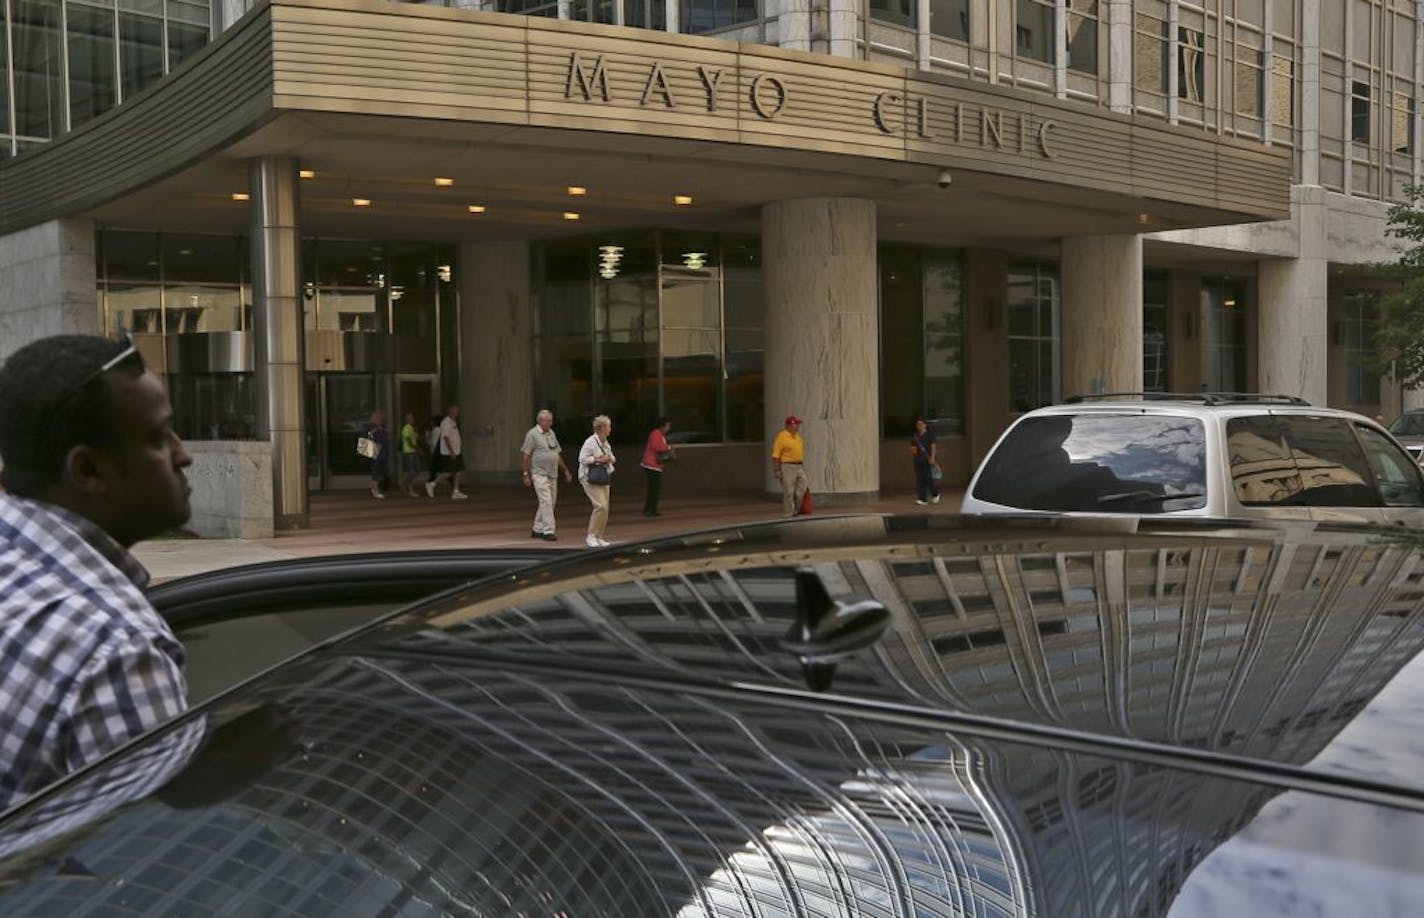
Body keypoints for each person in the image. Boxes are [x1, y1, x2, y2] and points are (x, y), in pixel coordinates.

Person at [0, 335, 197, 810]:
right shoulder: (118, 652)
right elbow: (152, 866)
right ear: (88, 470)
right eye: (158, 437)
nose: (182, 453)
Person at [521, 408, 573, 541]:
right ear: (540, 421)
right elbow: (526, 455)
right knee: (546, 501)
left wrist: (565, 469)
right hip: (539, 473)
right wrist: (526, 474)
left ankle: (537, 529)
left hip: (552, 473)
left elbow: (557, 453)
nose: (550, 423)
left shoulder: (551, 433)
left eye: (551, 420)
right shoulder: (532, 434)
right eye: (548, 421)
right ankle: (548, 531)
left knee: (550, 502)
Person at [578, 415, 616, 548]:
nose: (610, 429)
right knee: (600, 506)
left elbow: (612, 457)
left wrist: (609, 459)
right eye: (608, 426)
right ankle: (591, 536)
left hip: (603, 476)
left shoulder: (605, 442)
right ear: (602, 428)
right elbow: (582, 458)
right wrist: (598, 459)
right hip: (589, 477)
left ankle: (599, 536)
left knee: (605, 508)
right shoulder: (590, 442)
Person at [425, 404, 468, 499]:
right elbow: (446, 437)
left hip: (457, 451)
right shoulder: (446, 422)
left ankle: (456, 491)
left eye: (458, 412)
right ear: (451, 411)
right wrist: (451, 451)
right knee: (448, 472)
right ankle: (432, 484)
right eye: (455, 411)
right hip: (449, 452)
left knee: (458, 471)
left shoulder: (454, 422)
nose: (457, 413)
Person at [771, 414, 808, 517]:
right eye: (796, 424)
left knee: (802, 489)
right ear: (790, 425)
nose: (798, 426)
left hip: (799, 466)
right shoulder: (781, 437)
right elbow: (776, 455)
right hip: (787, 466)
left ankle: (796, 509)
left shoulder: (798, 438)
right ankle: (788, 513)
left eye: (798, 424)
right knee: (788, 491)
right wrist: (777, 470)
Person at [640, 417, 674, 517]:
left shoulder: (659, 434)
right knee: (654, 488)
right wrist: (669, 448)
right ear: (663, 426)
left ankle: (651, 509)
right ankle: (649, 510)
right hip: (651, 465)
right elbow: (656, 447)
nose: (669, 428)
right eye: (668, 426)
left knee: (654, 488)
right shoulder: (656, 433)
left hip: (655, 465)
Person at [910, 416, 942, 506]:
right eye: (917, 424)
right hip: (918, 461)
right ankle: (922, 499)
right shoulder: (915, 436)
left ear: (925, 425)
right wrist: (914, 455)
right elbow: (913, 448)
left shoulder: (930, 435)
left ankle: (936, 493)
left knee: (928, 479)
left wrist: (932, 457)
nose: (919, 426)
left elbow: (933, 447)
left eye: (921, 424)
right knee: (920, 479)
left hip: (928, 460)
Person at [364, 409, 390, 500]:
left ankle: (375, 487)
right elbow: (368, 436)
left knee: (382, 471)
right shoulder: (370, 427)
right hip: (375, 451)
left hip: (382, 452)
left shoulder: (381, 427)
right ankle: (374, 489)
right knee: (376, 471)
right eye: (380, 418)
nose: (381, 420)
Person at [399, 412, 422, 497]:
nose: (412, 419)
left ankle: (404, 484)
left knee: (417, 470)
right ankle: (410, 489)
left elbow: (415, 439)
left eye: (412, 418)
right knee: (411, 471)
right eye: (410, 418)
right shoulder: (406, 428)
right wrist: (417, 449)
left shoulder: (412, 428)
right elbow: (408, 441)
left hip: (413, 452)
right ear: (407, 419)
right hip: (409, 452)